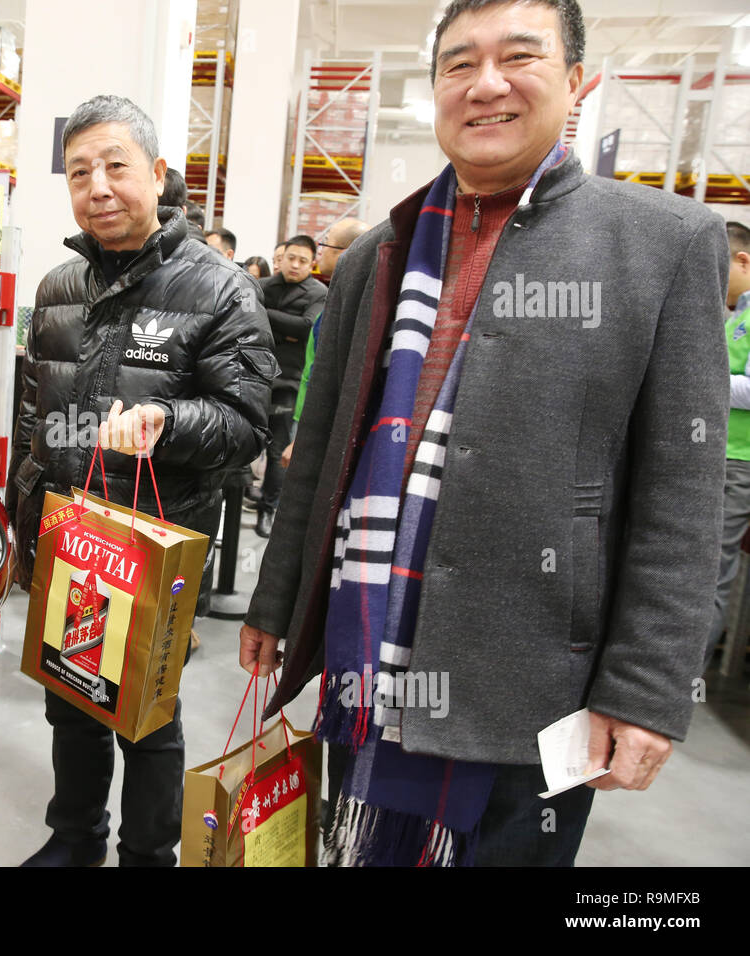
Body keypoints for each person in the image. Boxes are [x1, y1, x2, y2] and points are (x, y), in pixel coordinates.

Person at [240, 0, 729, 867]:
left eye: (519, 57)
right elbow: (319, 457)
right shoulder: (375, 256)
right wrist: (276, 602)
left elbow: (682, 495)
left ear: (578, 81)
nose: (486, 84)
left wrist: (649, 690)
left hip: (536, 679)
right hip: (367, 652)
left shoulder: (662, 244)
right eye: (459, 63)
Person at [8, 94, 274, 867]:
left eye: (116, 166)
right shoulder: (57, 287)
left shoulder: (220, 290)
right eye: (79, 170)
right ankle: (74, 837)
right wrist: (27, 511)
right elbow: (34, 414)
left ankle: (149, 854)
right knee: (71, 695)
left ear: (158, 174)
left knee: (145, 711)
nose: (97, 186)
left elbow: (246, 425)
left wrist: (167, 424)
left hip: (157, 543)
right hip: (68, 534)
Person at [281, 218, 369, 468]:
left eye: (326, 243)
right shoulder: (339, 297)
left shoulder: (349, 306)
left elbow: (332, 377)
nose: (322, 250)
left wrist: (303, 439)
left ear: (346, 252)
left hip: (316, 425)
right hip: (305, 414)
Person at [253, 235, 326, 537]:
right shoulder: (263, 286)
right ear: (280, 257)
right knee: (243, 443)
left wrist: (266, 317)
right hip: (254, 376)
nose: (295, 265)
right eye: (290, 258)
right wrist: (287, 329)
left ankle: (267, 510)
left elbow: (308, 326)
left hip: (288, 382)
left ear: (312, 263)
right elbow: (245, 319)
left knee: (277, 451)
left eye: (302, 260)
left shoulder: (319, 292)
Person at [706, 220, 750, 668]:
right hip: (725, 456)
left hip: (740, 461)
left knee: (711, 575)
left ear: (744, 260)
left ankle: (676, 690)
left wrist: (701, 376)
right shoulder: (739, 313)